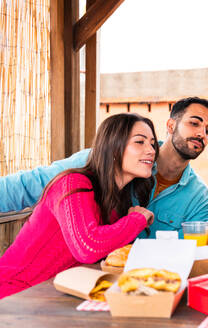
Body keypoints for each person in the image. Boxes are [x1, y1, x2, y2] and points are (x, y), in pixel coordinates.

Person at [0, 97, 208, 238]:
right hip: (81, 277)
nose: (202, 133)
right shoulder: (104, 161)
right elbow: (31, 184)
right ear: (171, 125)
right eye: (195, 122)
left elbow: (185, 250)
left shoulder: (199, 198)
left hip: (150, 285)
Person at [0, 113, 157, 298]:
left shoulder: (116, 202)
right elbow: (88, 248)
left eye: (153, 144)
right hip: (14, 295)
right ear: (113, 148)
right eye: (140, 142)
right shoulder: (73, 184)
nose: (151, 150)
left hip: (55, 297)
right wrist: (136, 219)